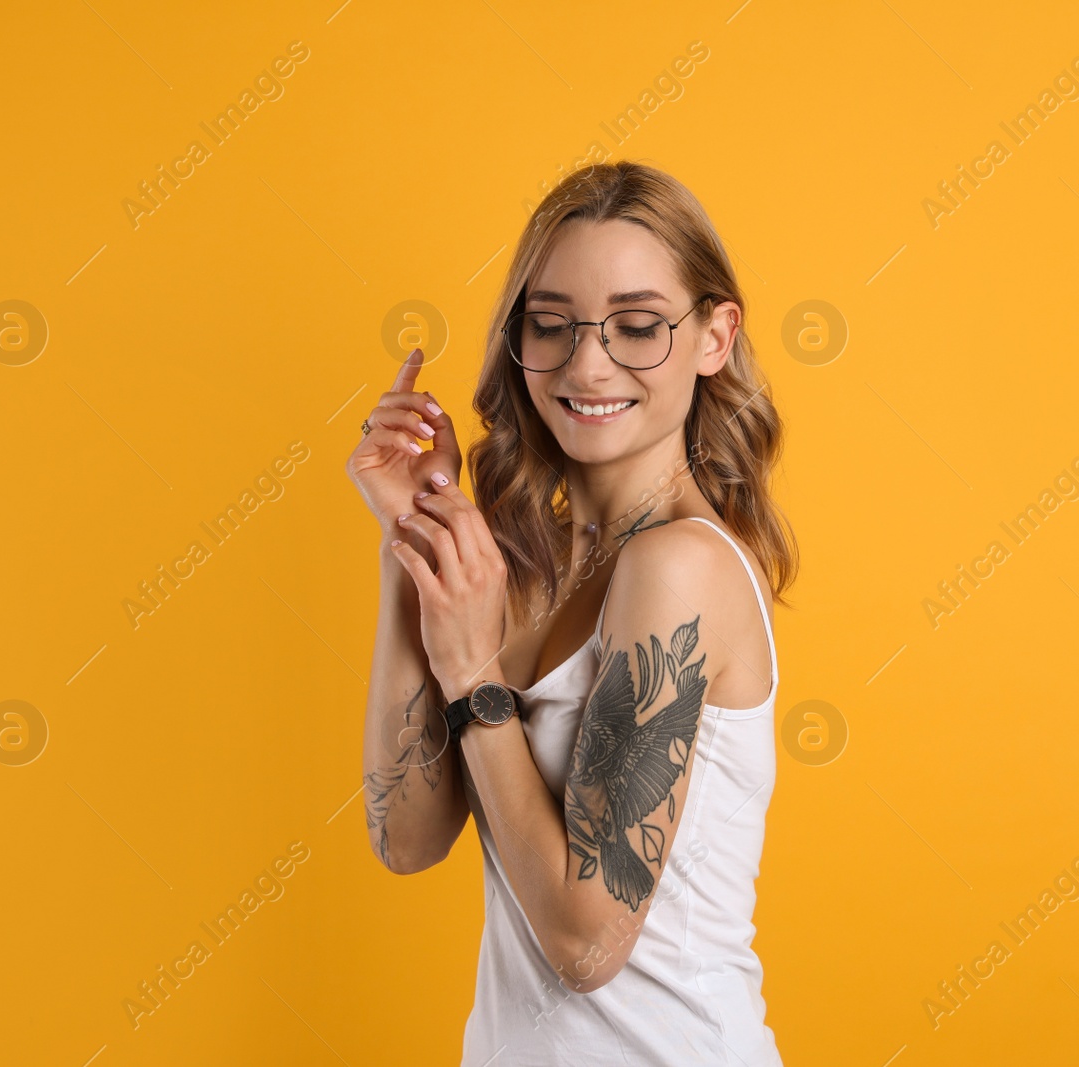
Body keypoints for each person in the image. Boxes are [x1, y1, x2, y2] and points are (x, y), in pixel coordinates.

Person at [348, 160, 797, 1065]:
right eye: (551, 325)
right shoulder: (527, 568)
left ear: (716, 336)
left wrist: (476, 678)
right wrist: (416, 533)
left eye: (638, 327)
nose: (588, 364)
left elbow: (585, 941)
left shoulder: (680, 568)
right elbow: (404, 835)